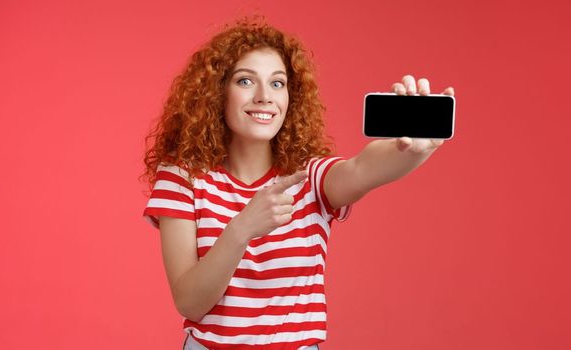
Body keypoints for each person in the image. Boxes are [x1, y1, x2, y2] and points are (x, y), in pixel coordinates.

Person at [141, 15, 455, 350]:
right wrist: (241, 229)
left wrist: (413, 150)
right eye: (246, 81)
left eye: (278, 83)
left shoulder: (312, 178)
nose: (265, 96)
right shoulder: (182, 178)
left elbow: (364, 168)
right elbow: (189, 303)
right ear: (217, 92)